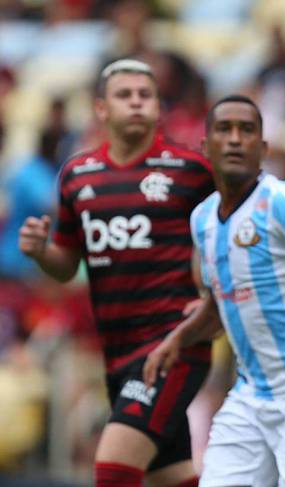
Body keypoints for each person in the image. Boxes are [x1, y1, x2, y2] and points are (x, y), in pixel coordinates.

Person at [143, 95, 285, 487]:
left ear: (262, 148)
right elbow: (221, 304)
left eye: (246, 130)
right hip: (252, 394)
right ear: (206, 146)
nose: (235, 139)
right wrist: (177, 340)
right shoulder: (202, 220)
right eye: (224, 129)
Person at [18, 59, 215, 487]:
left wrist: (214, 300)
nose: (137, 103)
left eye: (146, 95)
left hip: (173, 347)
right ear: (101, 109)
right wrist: (41, 252)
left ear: (159, 107)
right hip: (117, 353)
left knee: (113, 469)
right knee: (172, 477)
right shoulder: (77, 176)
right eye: (125, 95)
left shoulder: (191, 171)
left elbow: (235, 231)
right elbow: (67, 265)